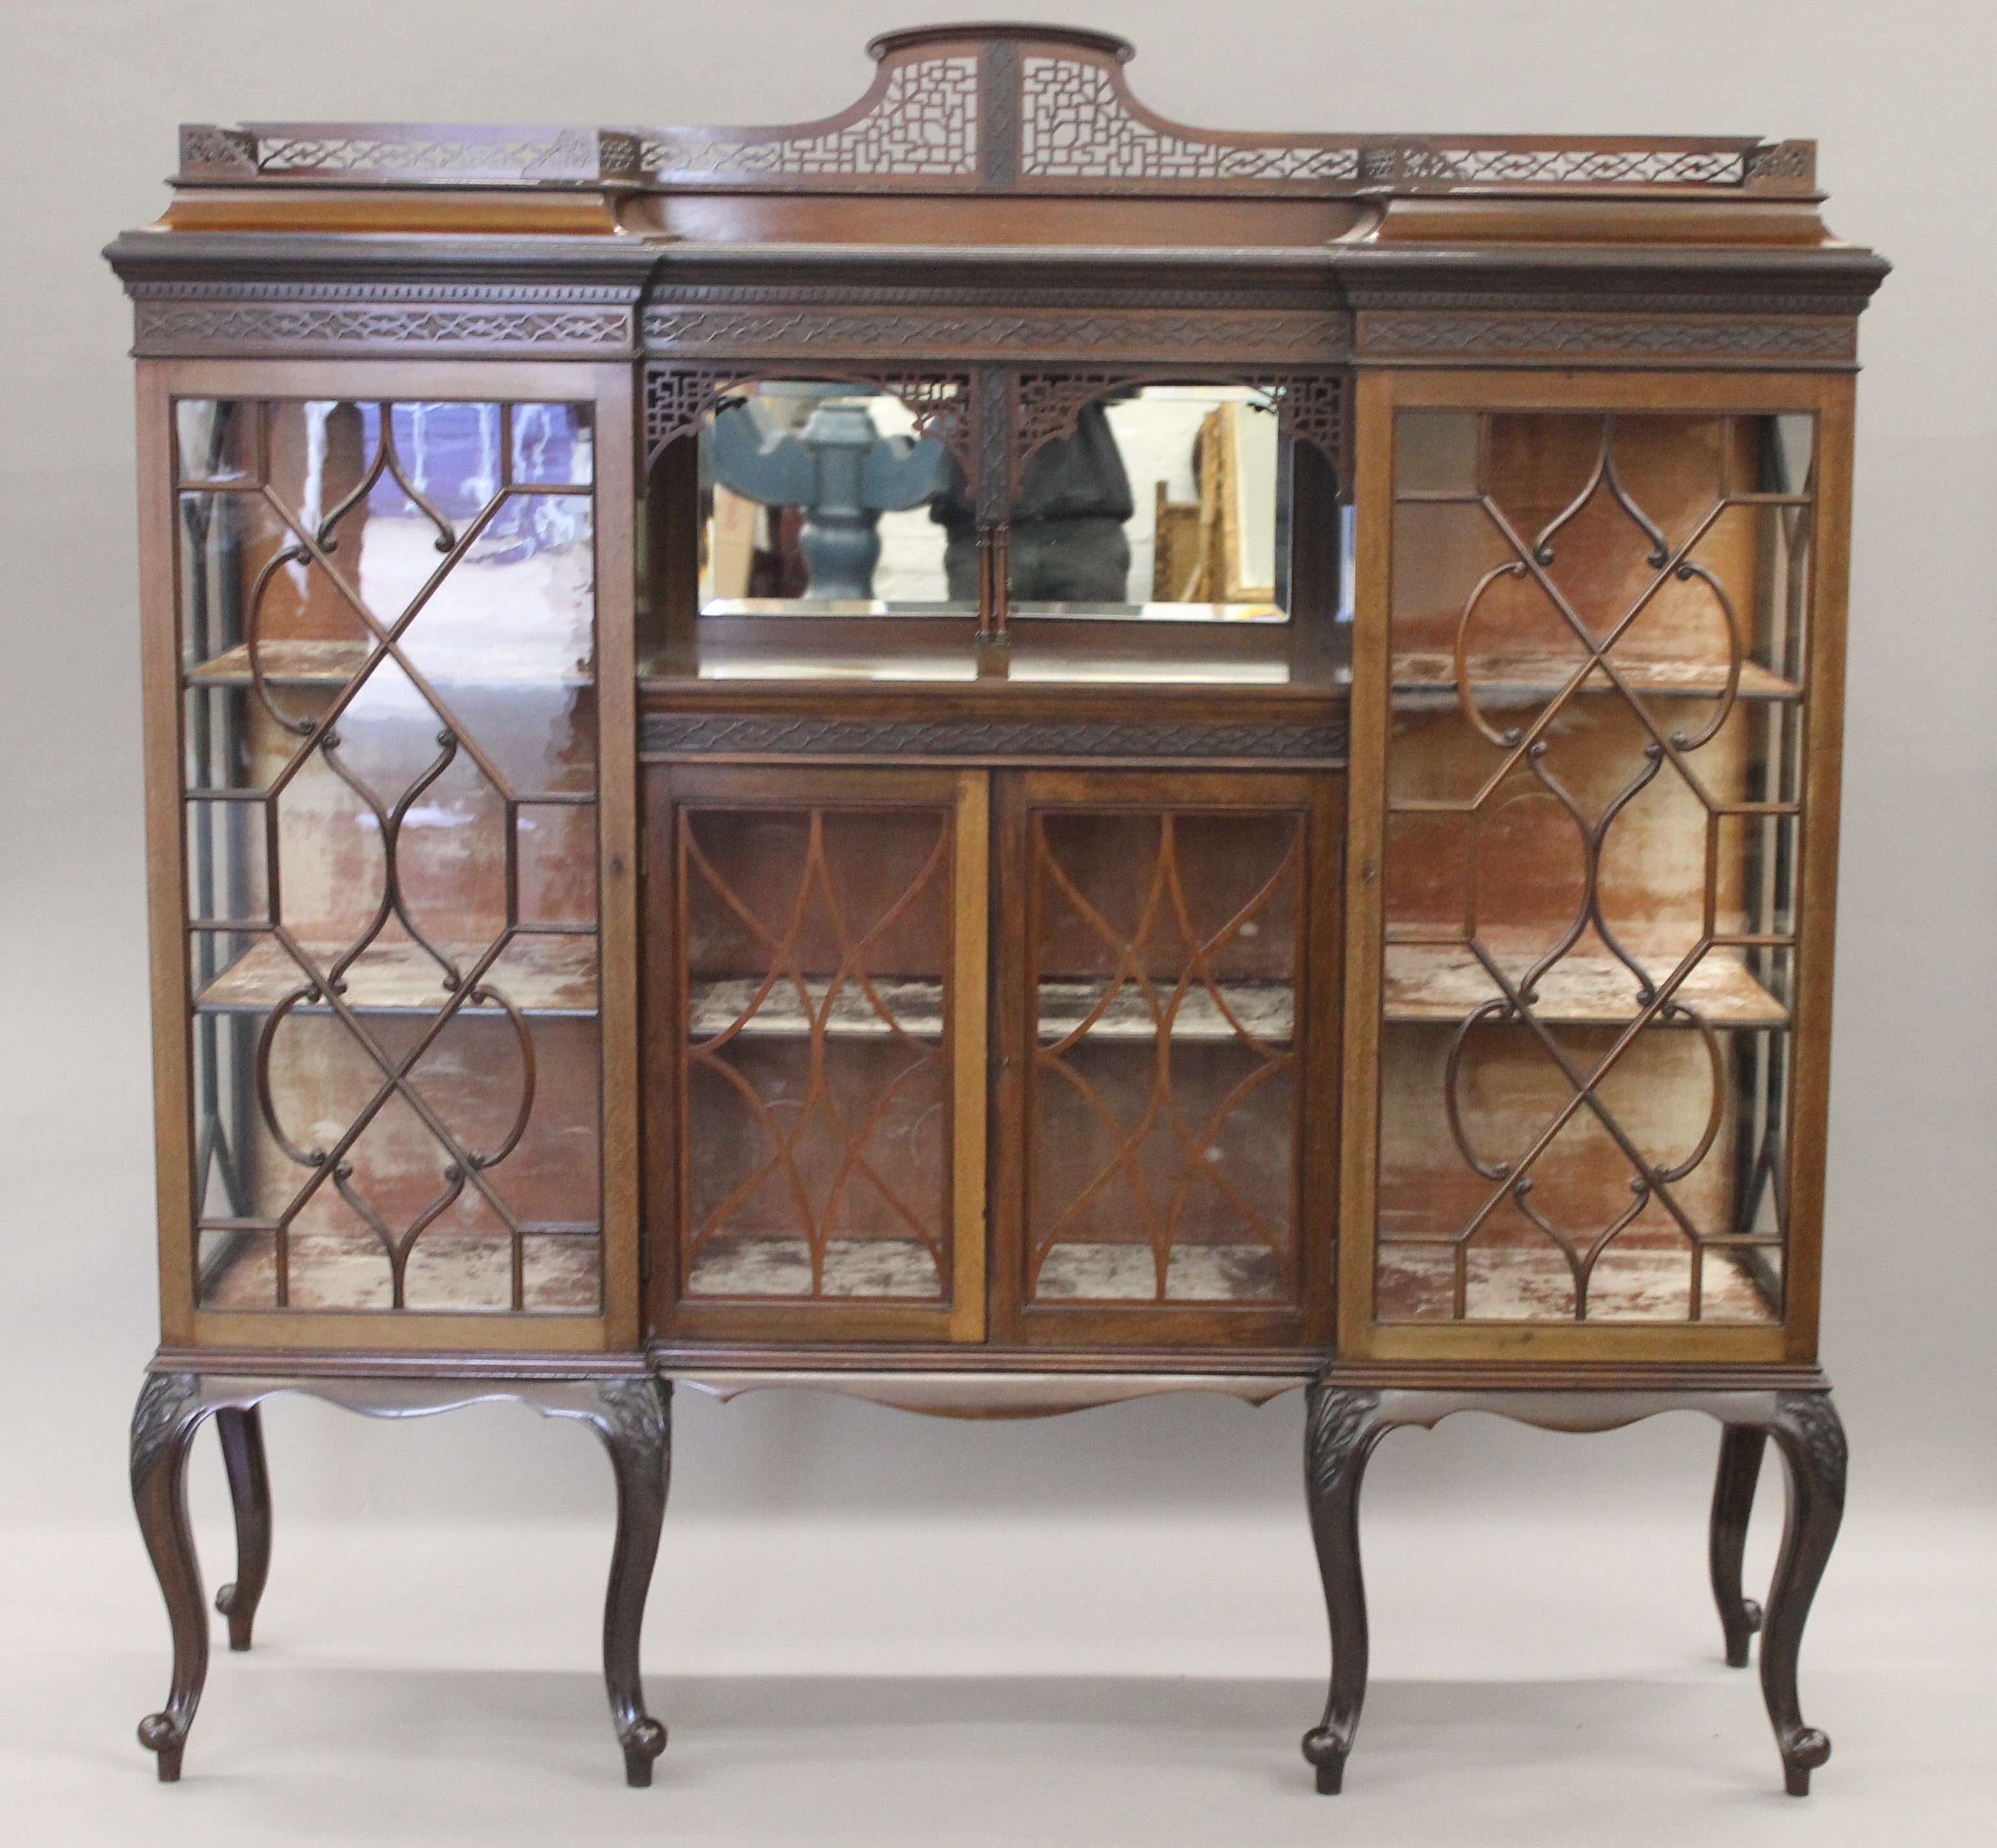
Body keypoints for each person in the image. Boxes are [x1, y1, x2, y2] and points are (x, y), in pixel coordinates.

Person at [930, 400, 1133, 604]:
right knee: (973, 633)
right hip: (983, 529)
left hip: (1084, 529)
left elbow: (1128, 380)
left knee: (1098, 632)